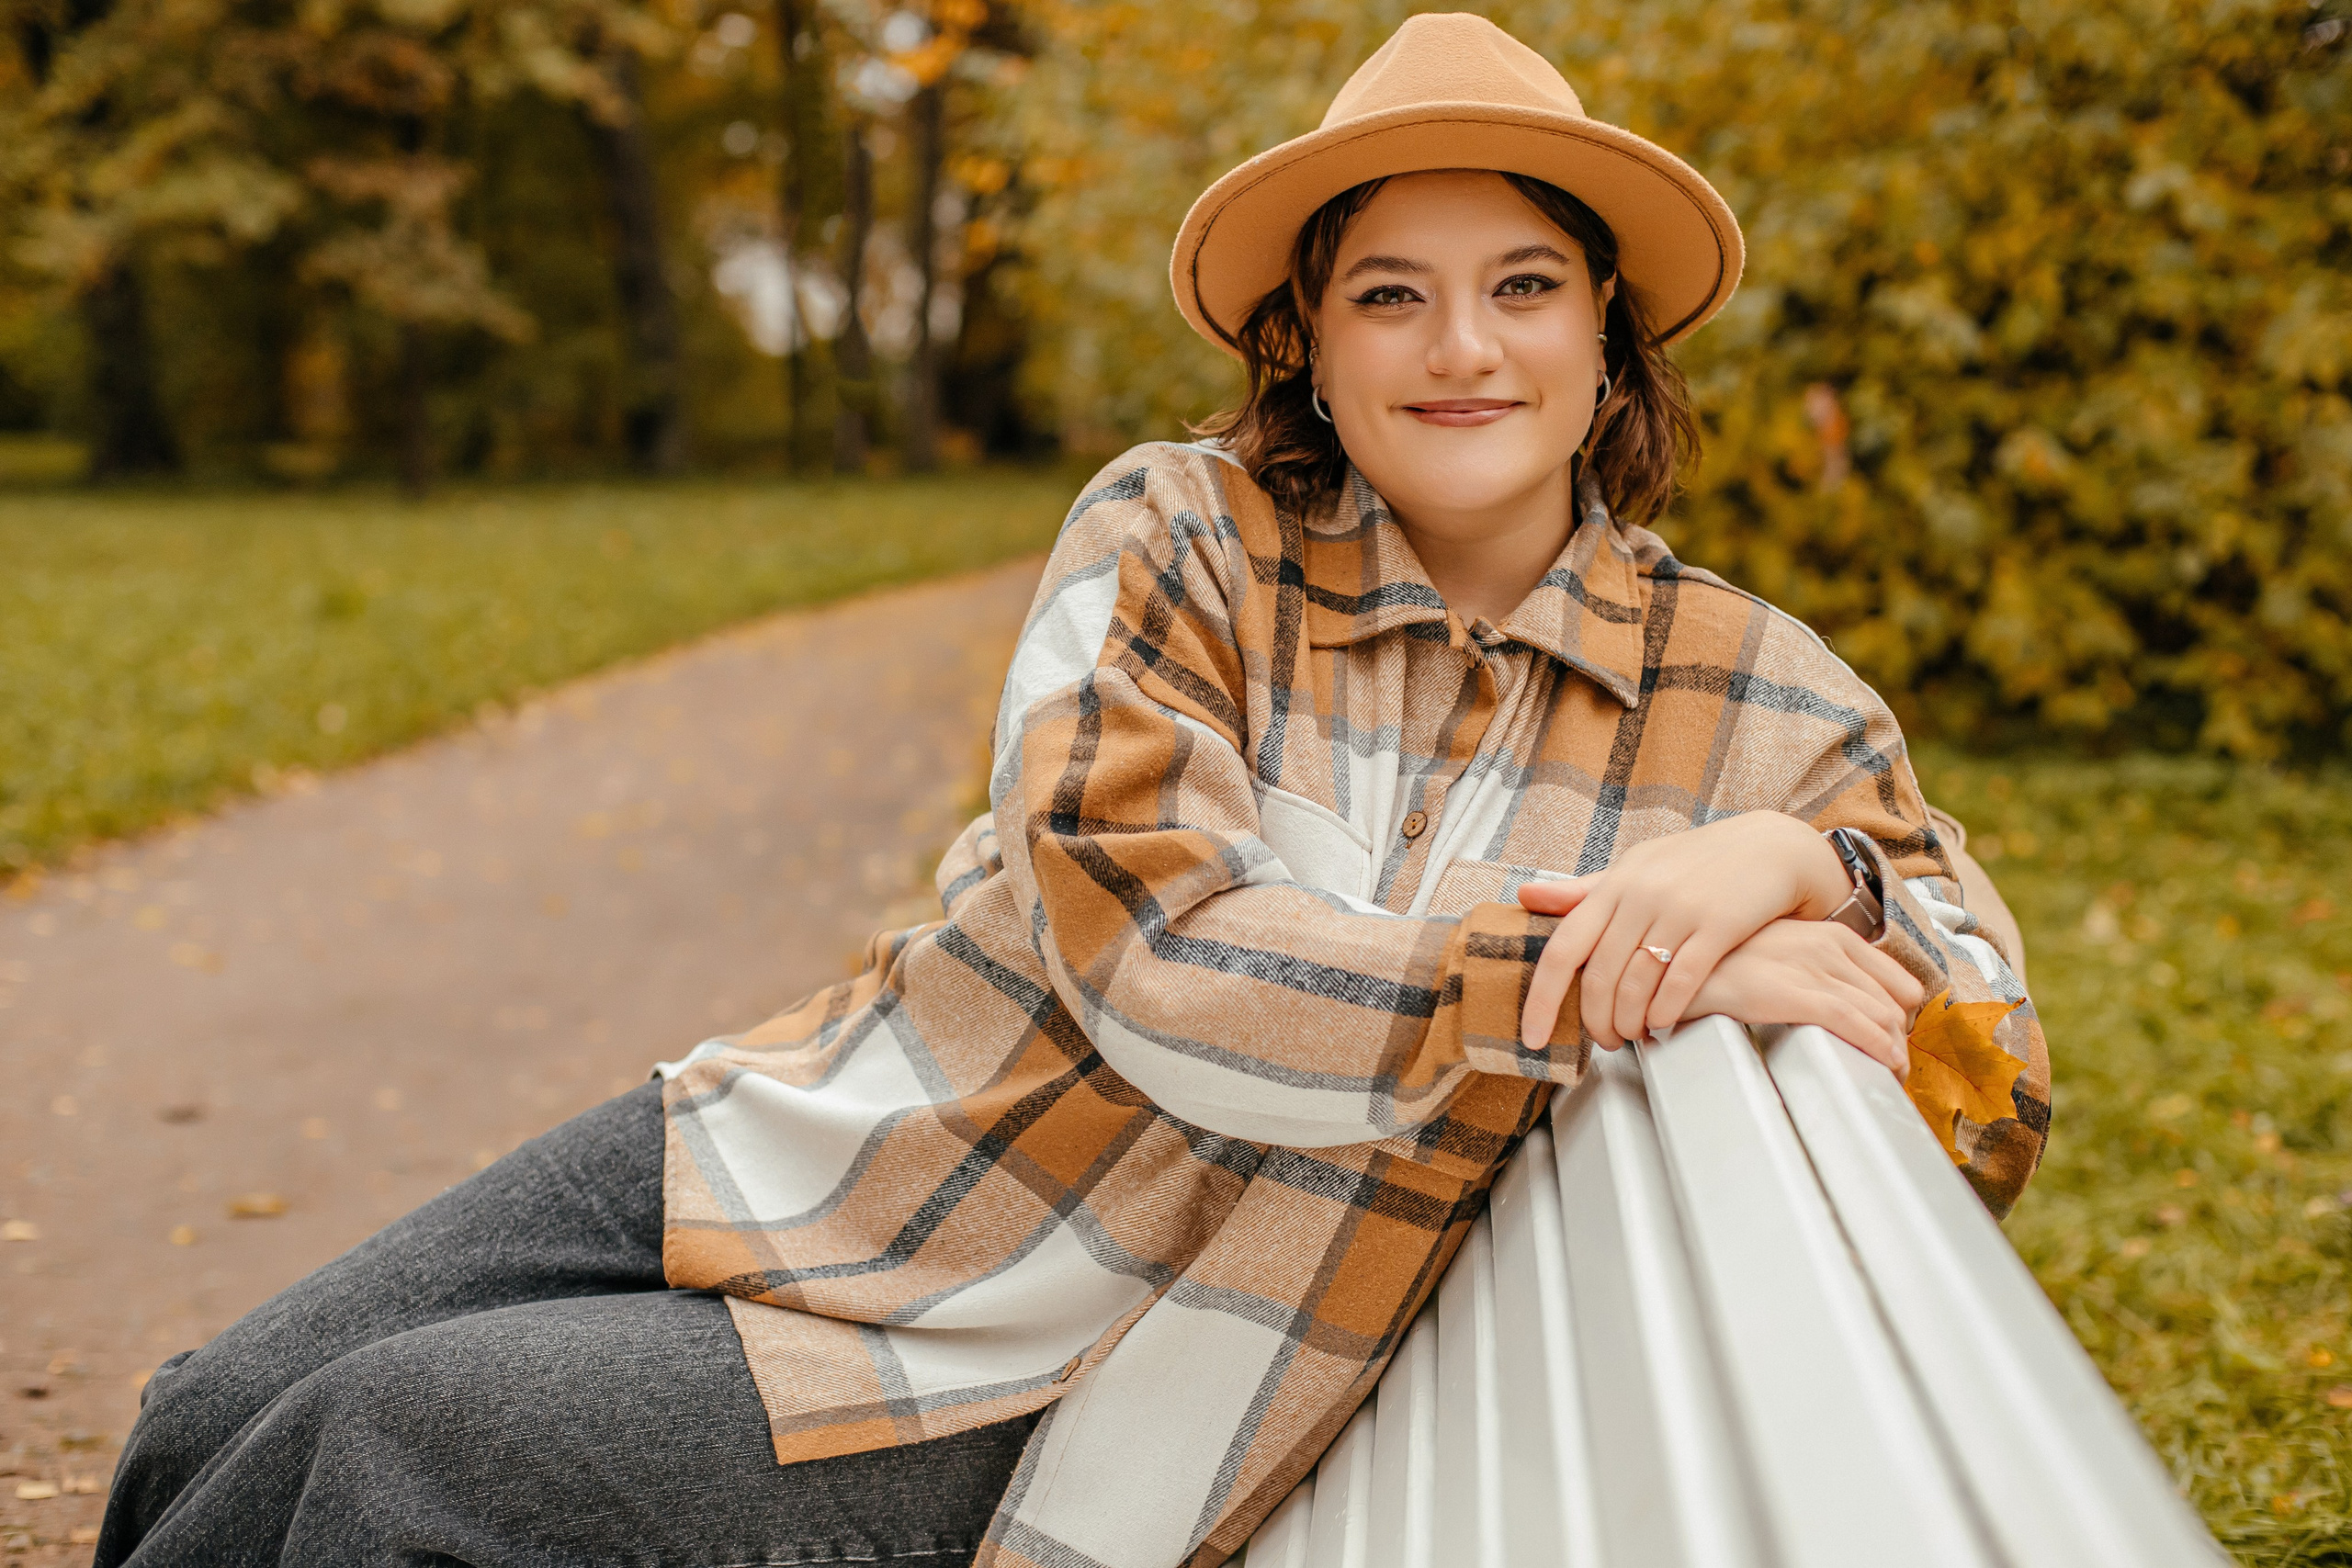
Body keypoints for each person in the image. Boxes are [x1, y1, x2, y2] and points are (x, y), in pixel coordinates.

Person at [96, 15, 2047, 1568]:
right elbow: (1149, 949)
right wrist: (1594, 963)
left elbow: (1985, 1072)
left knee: (384, 1450)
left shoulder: (1745, 688)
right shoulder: (1180, 528)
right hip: (853, 1121)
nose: (1461, 346)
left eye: (1522, 284)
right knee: (217, 1398)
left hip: (1071, 1352)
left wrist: (1804, 860)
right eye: (1389, 294)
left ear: (1607, 330)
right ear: (1308, 335)